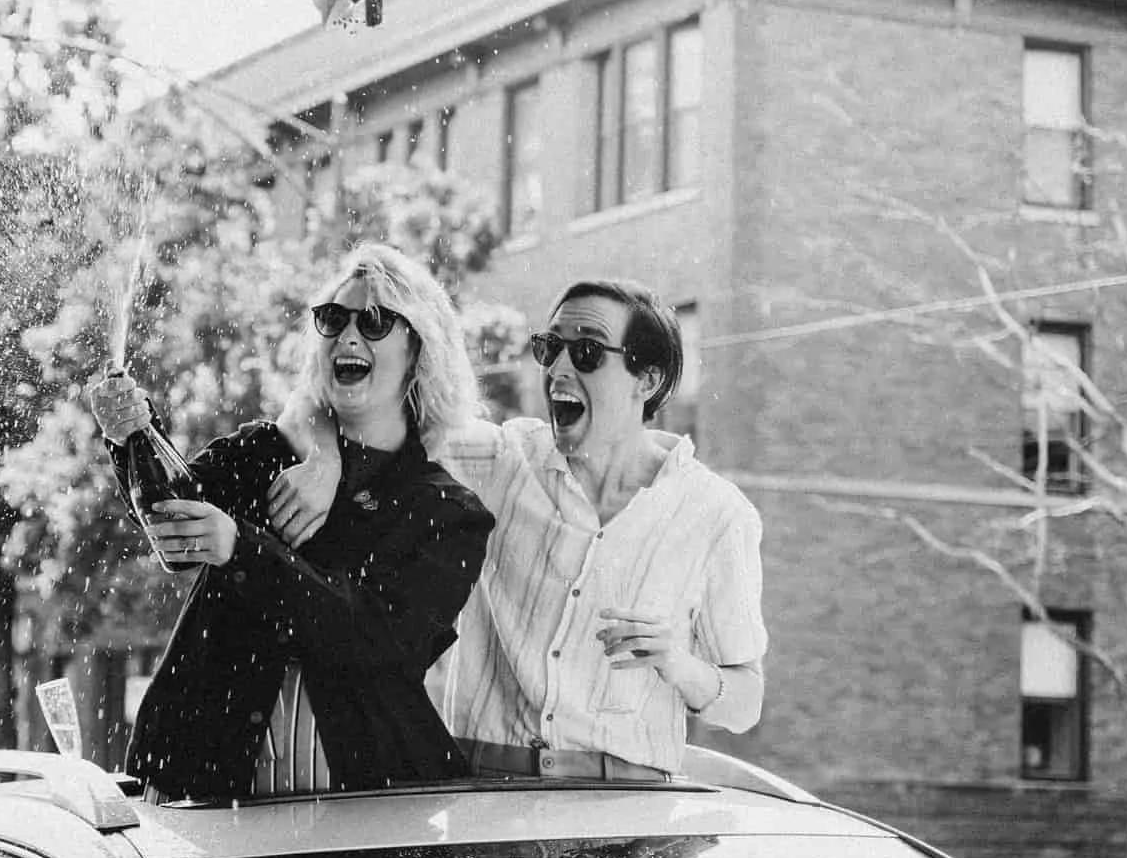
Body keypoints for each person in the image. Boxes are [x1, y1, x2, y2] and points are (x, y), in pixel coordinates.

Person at [275, 276, 764, 780]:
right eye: (550, 348)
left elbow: (746, 701)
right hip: (482, 792)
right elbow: (340, 400)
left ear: (649, 380)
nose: (559, 368)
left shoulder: (717, 514)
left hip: (629, 806)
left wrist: (679, 665)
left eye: (588, 352)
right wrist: (323, 458)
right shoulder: (500, 460)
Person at [87, 243, 495, 803]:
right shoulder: (264, 451)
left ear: (419, 348)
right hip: (202, 788)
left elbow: (376, 643)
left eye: (374, 322)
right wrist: (134, 436)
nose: (349, 337)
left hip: (357, 814)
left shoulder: (447, 513)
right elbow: (173, 529)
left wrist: (243, 550)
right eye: (333, 319)